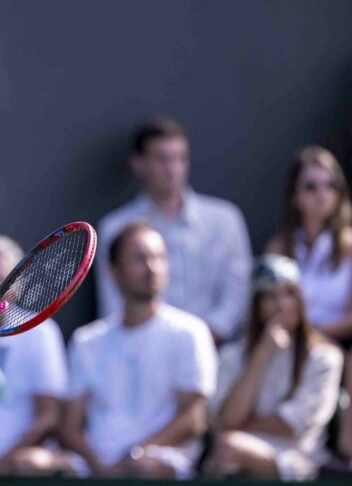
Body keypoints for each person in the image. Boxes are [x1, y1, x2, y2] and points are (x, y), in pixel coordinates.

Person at [63, 221, 217, 478]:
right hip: (95, 465)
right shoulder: (86, 341)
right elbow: (71, 426)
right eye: (139, 259)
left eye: (158, 257)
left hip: (160, 460)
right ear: (113, 271)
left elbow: (194, 418)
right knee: (31, 463)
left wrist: (134, 455)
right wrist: (100, 466)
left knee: (142, 468)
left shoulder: (190, 332)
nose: (152, 267)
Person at [96, 116, 252, 344]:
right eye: (161, 159)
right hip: (142, 355)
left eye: (180, 158)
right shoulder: (115, 227)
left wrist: (198, 341)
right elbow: (112, 305)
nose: (172, 169)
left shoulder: (226, 220)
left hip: (218, 355)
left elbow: (237, 297)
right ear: (138, 163)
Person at [205, 254, 344, 480]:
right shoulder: (232, 355)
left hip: (297, 459)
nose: (282, 305)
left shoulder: (324, 358)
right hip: (233, 451)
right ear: (257, 304)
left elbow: (290, 426)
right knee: (228, 449)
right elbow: (225, 419)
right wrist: (261, 356)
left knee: (229, 446)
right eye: (270, 296)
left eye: (289, 294)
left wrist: (239, 425)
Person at [0, 235, 72, 476]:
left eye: (1, 281)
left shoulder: (41, 334)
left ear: (18, 284)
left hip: (12, 465)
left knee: (33, 461)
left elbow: (50, 416)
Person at [265, 145, 352, 345]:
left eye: (331, 184)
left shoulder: (349, 247)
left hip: (337, 345)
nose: (322, 194)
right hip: (287, 343)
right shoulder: (278, 249)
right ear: (295, 195)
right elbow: (266, 308)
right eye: (311, 186)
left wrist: (312, 333)